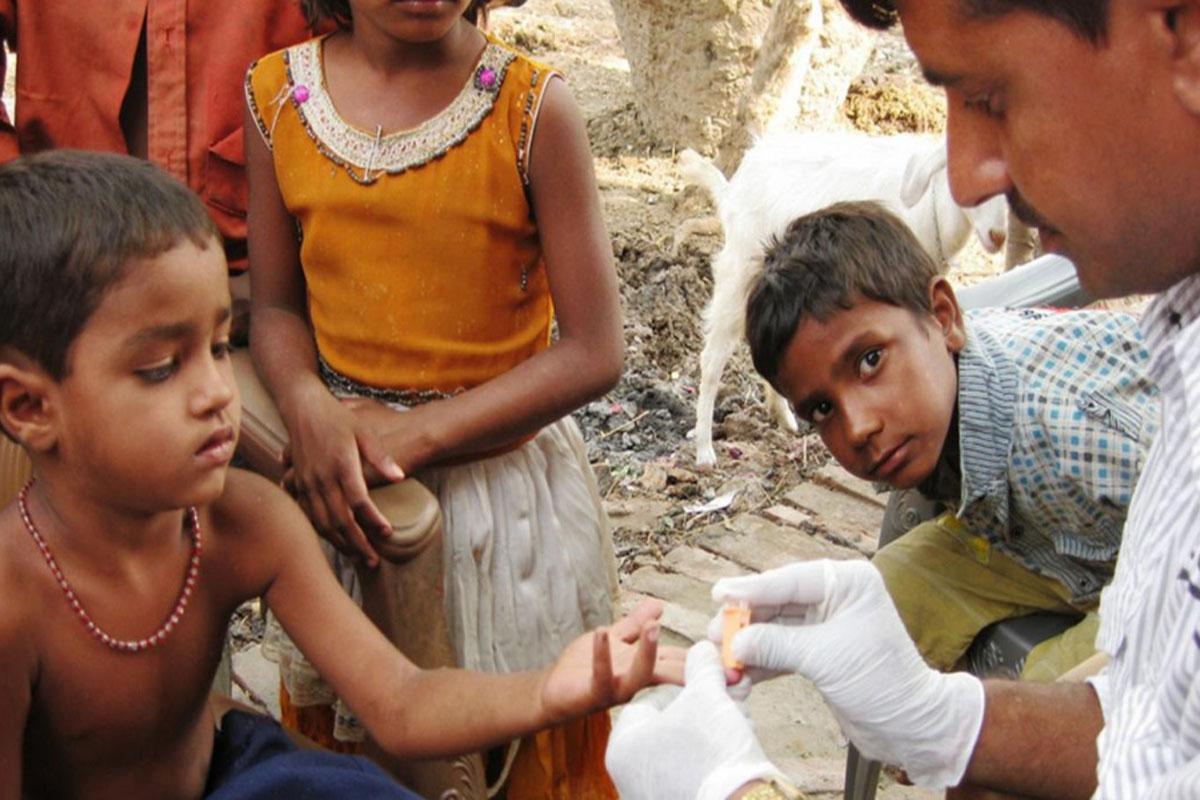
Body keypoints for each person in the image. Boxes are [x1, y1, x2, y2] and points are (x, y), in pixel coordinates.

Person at [605, 0, 1200, 797]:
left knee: (1031, 707)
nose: (963, 178)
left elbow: (1144, 721)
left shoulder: (1085, 424)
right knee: (883, 594)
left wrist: (734, 788)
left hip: (1099, 559)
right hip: (1038, 545)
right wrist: (940, 723)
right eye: (819, 409)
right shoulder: (1178, 333)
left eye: (991, 97)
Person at [0, 149, 682, 799]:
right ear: (29, 407)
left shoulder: (243, 522)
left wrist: (550, 689)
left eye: (215, 347)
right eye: (160, 368)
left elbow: (402, 702)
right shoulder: (14, 603)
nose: (217, 392)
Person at [243, 0, 625, 796]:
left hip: (499, 510)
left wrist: (412, 440)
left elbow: (595, 351)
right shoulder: (278, 94)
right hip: (350, 491)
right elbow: (276, 307)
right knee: (362, 746)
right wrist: (308, 406)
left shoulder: (529, 106)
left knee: (513, 752)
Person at [746, 200, 1157, 681]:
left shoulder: (1074, 432)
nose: (857, 428)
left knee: (1045, 696)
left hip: (1164, 572)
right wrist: (731, 659)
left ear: (943, 318)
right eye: (822, 409)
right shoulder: (934, 399)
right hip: (1049, 546)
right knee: (877, 596)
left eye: (870, 361)